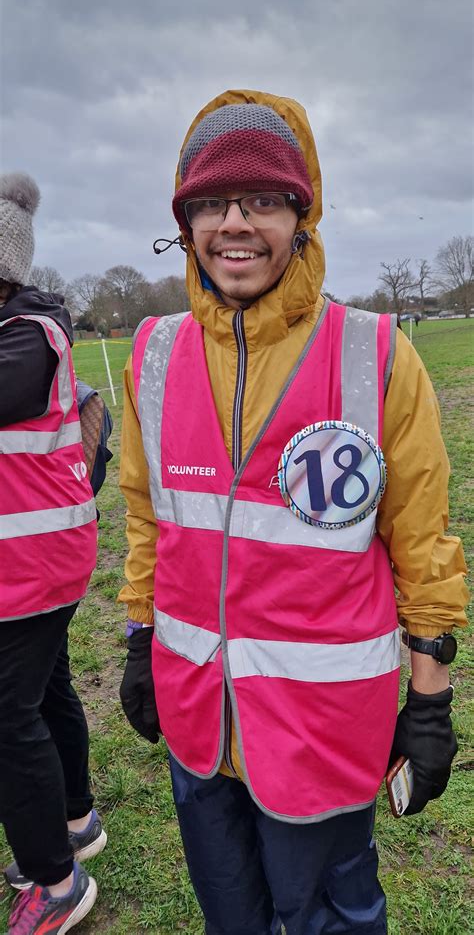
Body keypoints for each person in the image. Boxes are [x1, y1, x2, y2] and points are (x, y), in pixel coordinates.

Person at [118, 91, 468, 935]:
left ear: (302, 214)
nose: (234, 224)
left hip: (324, 730)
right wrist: (139, 638)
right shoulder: (153, 354)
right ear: (185, 218)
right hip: (199, 718)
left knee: (329, 922)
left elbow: (422, 545)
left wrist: (430, 702)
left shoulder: (377, 353)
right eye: (210, 202)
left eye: (262, 201)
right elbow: (144, 518)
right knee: (231, 920)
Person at [0, 173, 105, 934]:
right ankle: (74, 819)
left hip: (28, 563)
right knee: (49, 691)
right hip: (40, 553)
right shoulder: (25, 326)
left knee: (8, 715)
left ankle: (56, 880)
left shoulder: (26, 335)